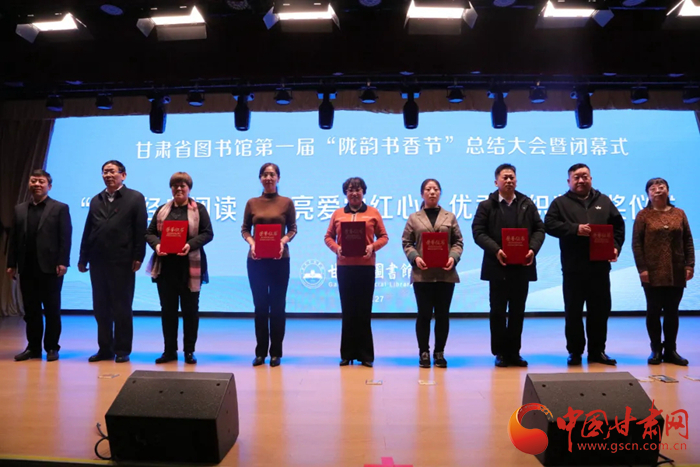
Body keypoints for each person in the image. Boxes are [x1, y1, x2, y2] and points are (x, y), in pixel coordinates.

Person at [544, 163, 625, 366]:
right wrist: (575, 229)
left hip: (600, 268)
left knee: (600, 311)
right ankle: (575, 352)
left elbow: (618, 226)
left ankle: (597, 351)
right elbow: (549, 225)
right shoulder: (560, 203)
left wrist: (615, 247)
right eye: (576, 177)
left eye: (585, 176)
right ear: (569, 181)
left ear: (591, 178)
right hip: (573, 268)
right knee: (573, 312)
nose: (581, 180)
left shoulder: (604, 201)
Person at [472, 164, 545, 368]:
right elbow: (478, 232)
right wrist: (496, 250)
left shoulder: (527, 203)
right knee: (497, 312)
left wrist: (532, 249)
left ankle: (514, 352)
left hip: (522, 266)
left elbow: (539, 229)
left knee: (517, 311)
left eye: (512, 177)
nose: (509, 181)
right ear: (496, 182)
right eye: (505, 177)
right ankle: (500, 352)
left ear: (516, 180)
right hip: (498, 266)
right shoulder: (487, 205)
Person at [79, 160, 147, 363]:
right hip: (98, 260)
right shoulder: (96, 199)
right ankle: (105, 348)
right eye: (105, 172)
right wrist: (83, 258)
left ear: (123, 175)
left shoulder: (134, 198)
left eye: (112, 171)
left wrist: (138, 256)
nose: (108, 175)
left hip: (123, 260)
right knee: (100, 307)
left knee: (122, 307)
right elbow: (88, 229)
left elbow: (140, 229)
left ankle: (122, 349)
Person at [145, 172, 213, 365]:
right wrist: (157, 245)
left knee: (190, 311)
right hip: (166, 268)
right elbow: (149, 233)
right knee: (168, 311)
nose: (179, 189)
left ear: (189, 188)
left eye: (183, 185)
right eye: (175, 185)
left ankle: (189, 351)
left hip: (190, 268)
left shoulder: (199, 209)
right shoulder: (162, 210)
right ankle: (169, 351)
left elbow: (208, 233)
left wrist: (190, 245)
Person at [6, 169, 72, 362]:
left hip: (51, 268)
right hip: (27, 267)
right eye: (33, 181)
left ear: (49, 186)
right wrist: (11, 264)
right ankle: (33, 347)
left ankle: (52, 347)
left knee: (52, 310)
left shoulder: (60, 208)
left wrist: (63, 262)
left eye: (41, 181)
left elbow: (65, 237)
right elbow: (14, 239)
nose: (36, 184)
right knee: (31, 310)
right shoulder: (19, 209)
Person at [324, 177, 389, 367]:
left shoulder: (373, 212)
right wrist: (337, 248)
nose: (354, 193)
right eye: (350, 190)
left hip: (366, 267)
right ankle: (347, 354)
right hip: (344, 267)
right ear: (345, 193)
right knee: (348, 310)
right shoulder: (338, 214)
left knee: (364, 310)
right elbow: (328, 237)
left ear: (363, 192)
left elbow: (384, 237)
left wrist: (373, 247)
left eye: (358, 189)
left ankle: (366, 355)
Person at [402, 179, 463, 368]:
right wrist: (415, 258)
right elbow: (407, 242)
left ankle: (439, 352)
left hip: (446, 274)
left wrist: (453, 257)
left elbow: (458, 242)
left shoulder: (449, 217)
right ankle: (424, 352)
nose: (432, 192)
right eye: (428, 189)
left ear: (440, 193)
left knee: (443, 315)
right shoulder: (414, 218)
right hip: (423, 274)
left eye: (435, 189)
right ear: (422, 194)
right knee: (424, 315)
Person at [632, 177, 694, 366]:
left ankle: (671, 350)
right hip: (652, 271)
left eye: (661, 186)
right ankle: (656, 350)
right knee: (653, 310)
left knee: (672, 311)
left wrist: (690, 265)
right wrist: (642, 268)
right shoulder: (643, 215)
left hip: (676, 269)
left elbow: (688, 240)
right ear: (647, 194)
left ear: (668, 190)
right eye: (653, 188)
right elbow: (636, 244)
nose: (657, 190)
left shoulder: (679, 213)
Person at [242, 163, 297, 367]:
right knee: (260, 307)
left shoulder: (286, 202)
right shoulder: (252, 203)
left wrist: (282, 241)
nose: (268, 177)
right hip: (256, 260)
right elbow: (245, 229)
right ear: (260, 178)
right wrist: (252, 243)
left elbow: (292, 229)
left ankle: (276, 352)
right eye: (264, 174)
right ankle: (260, 353)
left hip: (279, 260)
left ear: (278, 178)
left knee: (278, 307)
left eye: (272, 174)